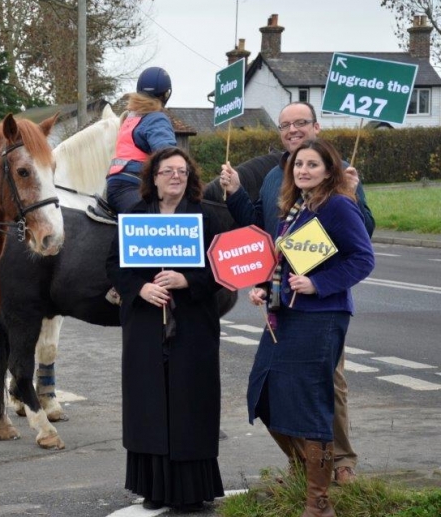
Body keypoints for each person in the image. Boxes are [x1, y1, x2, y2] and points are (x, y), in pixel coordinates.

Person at [219, 101, 374, 485]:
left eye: (300, 123)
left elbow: (361, 236)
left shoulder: (341, 182)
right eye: (285, 124)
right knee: (276, 387)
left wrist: (353, 195)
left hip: (320, 308)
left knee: (324, 385)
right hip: (283, 301)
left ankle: (338, 465)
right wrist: (237, 191)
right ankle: (305, 462)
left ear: (316, 127)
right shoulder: (278, 178)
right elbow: (265, 229)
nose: (292, 130)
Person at [246, 139, 375, 516]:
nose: (303, 170)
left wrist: (319, 284)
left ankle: (319, 502)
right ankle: (306, 467)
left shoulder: (337, 205)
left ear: (329, 170)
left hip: (321, 317)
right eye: (299, 164)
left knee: (312, 402)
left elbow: (363, 258)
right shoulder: (296, 207)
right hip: (285, 314)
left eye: (312, 165)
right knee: (264, 390)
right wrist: (263, 285)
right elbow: (287, 262)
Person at [106, 147, 225, 512]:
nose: (176, 176)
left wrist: (186, 280)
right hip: (145, 323)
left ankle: (191, 490)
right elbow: (114, 264)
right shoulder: (135, 215)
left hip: (192, 324)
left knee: (190, 400)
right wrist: (140, 289)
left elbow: (222, 268)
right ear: (153, 177)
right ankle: (153, 486)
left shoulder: (206, 217)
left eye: (183, 171)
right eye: (168, 170)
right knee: (149, 402)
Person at [105, 66, 177, 214]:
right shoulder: (156, 118)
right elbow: (168, 157)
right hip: (133, 185)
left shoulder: (130, 117)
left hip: (115, 184)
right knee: (152, 229)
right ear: (166, 94)